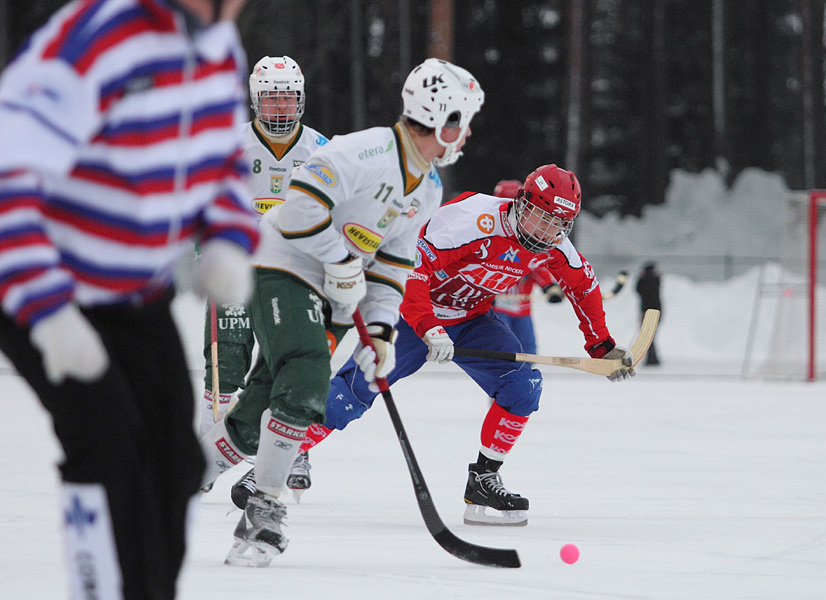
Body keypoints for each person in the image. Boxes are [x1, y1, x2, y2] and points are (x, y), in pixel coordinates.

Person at [0, 0, 258, 598]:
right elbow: (7, 173)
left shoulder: (218, 47)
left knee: (176, 463)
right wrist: (49, 311)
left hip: (133, 292)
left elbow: (220, 162)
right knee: (108, 449)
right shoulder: (96, 36)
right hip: (40, 285)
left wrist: (226, 239)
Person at [198, 57, 485, 566]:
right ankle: (264, 508)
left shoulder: (429, 189)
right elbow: (300, 208)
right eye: (462, 121)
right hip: (278, 265)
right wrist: (342, 261)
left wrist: (380, 331)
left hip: (331, 292)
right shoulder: (365, 151)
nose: (464, 135)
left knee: (261, 405)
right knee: (308, 376)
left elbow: (393, 267)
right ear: (439, 117)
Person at [299, 164, 635, 528]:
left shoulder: (552, 244)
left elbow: (582, 285)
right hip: (410, 312)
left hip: (471, 320)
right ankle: (283, 455)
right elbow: (414, 268)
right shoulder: (471, 220)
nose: (548, 231)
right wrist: (428, 327)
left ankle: (483, 481)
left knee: (523, 387)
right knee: (352, 392)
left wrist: (600, 345)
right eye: (541, 218)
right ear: (522, 204)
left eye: (559, 224)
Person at [200, 55, 329, 498]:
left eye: (287, 99)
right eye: (270, 99)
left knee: (288, 361)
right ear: (255, 102)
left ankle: (294, 447)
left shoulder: (321, 150)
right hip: (238, 268)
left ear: (300, 101)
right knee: (225, 362)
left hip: (294, 274)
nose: (279, 109)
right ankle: (206, 454)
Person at [490, 179, 565, 355]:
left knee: (528, 349)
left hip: (522, 308)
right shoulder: (491, 234)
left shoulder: (531, 236)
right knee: (502, 346)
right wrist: (484, 296)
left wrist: (549, 287)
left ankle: (526, 376)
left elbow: (537, 266)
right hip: (497, 306)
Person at [636, 261, 662, 365]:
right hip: (655, 311)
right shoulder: (656, 280)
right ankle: (652, 357)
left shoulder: (646, 281)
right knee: (650, 336)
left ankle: (651, 358)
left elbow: (638, 290)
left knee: (648, 336)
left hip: (648, 312)